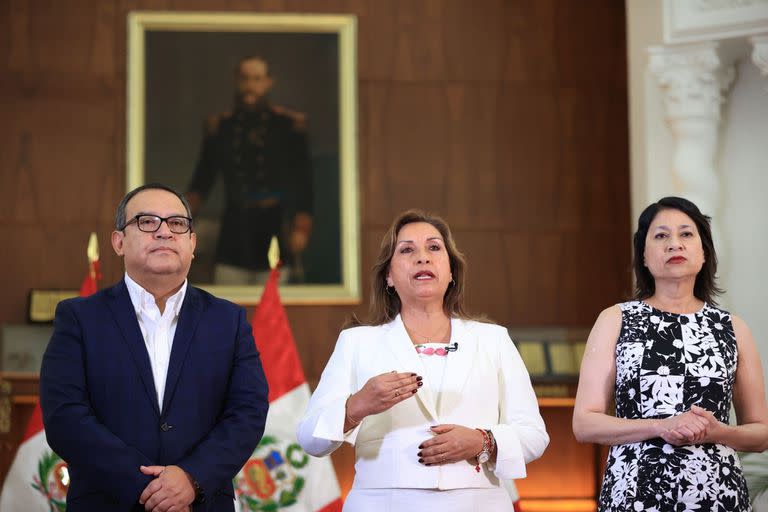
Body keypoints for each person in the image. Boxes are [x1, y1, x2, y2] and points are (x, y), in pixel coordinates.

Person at [296, 209, 549, 512]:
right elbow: (310, 440)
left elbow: (534, 435)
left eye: (434, 247)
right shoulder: (357, 342)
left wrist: (483, 441)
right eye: (406, 250)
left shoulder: (493, 339)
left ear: (451, 270)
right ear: (388, 276)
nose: (422, 257)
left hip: (479, 503)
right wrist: (358, 405)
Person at [40, 183, 270, 511]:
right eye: (147, 222)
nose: (164, 232)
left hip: (201, 503)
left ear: (192, 242)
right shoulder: (79, 318)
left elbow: (247, 413)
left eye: (177, 223)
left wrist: (192, 479)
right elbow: (65, 417)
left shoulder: (228, 320)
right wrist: (151, 489)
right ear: (118, 242)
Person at [573, 196, 768, 511]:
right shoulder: (616, 319)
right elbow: (584, 424)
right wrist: (660, 426)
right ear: (645, 257)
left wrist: (719, 432)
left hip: (717, 495)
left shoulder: (732, 327)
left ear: (704, 253)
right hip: (634, 494)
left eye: (686, 234)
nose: (674, 244)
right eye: (661, 235)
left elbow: (761, 432)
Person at [186, 55, 313, 285]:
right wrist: (180, 221)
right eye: (245, 78)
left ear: (268, 82)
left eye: (256, 79)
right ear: (237, 81)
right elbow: (202, 181)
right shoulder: (221, 127)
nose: (250, 85)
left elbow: (303, 182)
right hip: (235, 229)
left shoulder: (287, 126)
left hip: (274, 226)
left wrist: (301, 227)